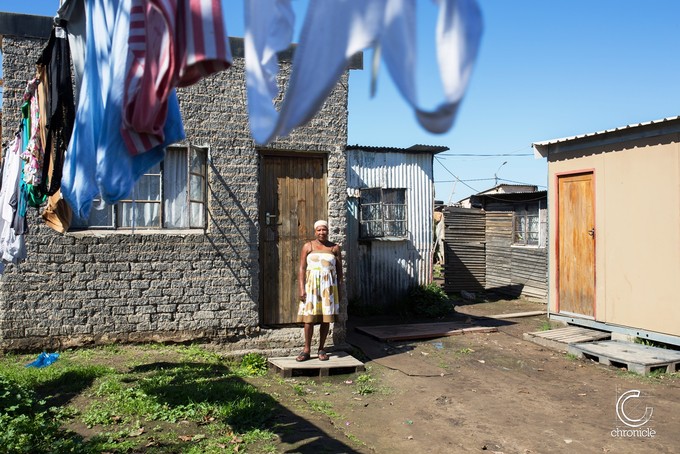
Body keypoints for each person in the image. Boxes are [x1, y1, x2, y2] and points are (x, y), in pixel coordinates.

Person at [296, 219, 343, 362]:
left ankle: (321, 348)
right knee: (308, 319)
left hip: (328, 287)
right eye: (319, 230)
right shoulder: (308, 246)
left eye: (324, 230)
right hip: (311, 287)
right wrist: (301, 289)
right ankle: (306, 350)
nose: (322, 232)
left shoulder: (334, 248)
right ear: (315, 231)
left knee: (325, 318)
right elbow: (302, 269)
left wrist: (339, 292)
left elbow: (339, 273)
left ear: (328, 231)